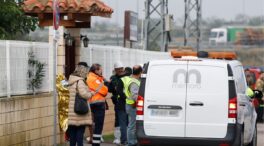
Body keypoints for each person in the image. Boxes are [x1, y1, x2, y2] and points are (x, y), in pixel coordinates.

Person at [67, 62, 95, 146]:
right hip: (79, 112)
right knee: (80, 133)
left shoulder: (71, 80)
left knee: (72, 133)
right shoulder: (80, 81)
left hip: (71, 110)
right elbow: (84, 94)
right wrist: (91, 94)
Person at [87, 63, 108, 146]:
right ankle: (96, 144)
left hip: (92, 103)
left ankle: (95, 142)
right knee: (98, 125)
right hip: (97, 104)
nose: (101, 70)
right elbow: (104, 91)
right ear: (96, 70)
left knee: (95, 124)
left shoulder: (91, 77)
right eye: (100, 69)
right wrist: (104, 83)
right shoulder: (93, 79)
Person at [108, 62, 128, 145]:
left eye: (121, 69)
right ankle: (117, 137)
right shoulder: (113, 78)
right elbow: (110, 89)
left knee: (126, 121)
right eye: (118, 69)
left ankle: (125, 137)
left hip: (126, 101)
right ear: (115, 70)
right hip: (118, 102)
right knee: (118, 120)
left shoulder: (127, 77)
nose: (120, 70)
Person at [122, 65, 142, 146]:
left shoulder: (131, 79)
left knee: (132, 125)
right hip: (132, 105)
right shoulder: (134, 82)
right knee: (132, 126)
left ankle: (133, 141)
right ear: (140, 72)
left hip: (130, 105)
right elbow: (134, 96)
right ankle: (131, 143)